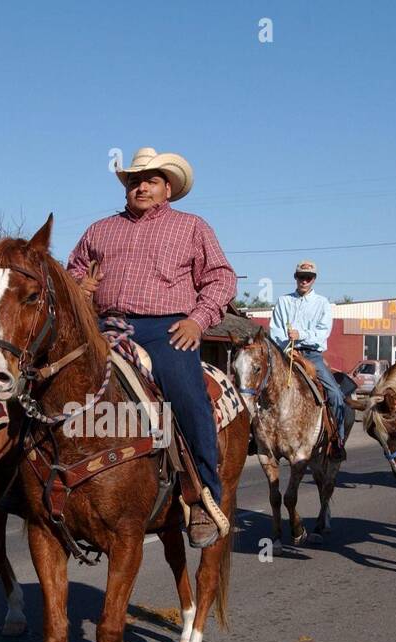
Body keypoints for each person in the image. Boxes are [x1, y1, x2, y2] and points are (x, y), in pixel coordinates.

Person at [67, 147, 236, 548]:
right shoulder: (99, 230)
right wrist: (79, 287)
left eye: (151, 180)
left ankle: (201, 498)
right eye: (134, 181)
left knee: (188, 397)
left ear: (168, 188)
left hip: (167, 328)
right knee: (59, 382)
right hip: (106, 326)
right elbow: (72, 271)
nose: (140, 186)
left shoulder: (192, 227)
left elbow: (222, 279)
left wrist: (198, 319)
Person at [269, 260, 347, 457]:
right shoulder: (283, 301)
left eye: (308, 277)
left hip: (312, 355)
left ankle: (338, 439)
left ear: (314, 280)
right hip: (286, 353)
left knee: (336, 395)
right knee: (261, 386)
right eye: (301, 277)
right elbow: (275, 329)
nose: (304, 281)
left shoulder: (322, 304)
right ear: (295, 277)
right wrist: (286, 346)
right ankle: (257, 436)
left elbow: (323, 333)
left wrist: (301, 334)